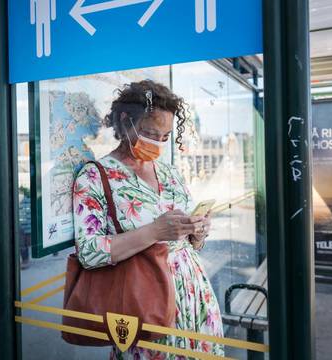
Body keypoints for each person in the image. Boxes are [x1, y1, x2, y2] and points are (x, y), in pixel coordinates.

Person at [72, 80, 224, 358]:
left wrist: (197, 232)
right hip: (143, 299)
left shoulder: (169, 172)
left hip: (193, 296)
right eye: (150, 133)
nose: (157, 143)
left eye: (165, 137)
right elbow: (89, 252)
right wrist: (155, 231)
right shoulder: (95, 176)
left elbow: (189, 243)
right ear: (125, 121)